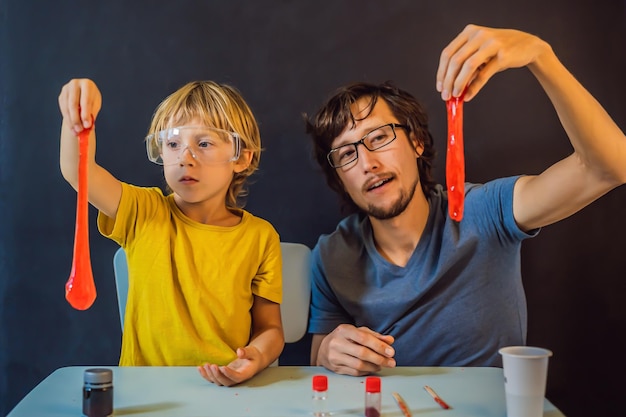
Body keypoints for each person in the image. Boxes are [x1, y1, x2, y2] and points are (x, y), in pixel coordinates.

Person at [304, 24, 626, 376]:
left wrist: (540, 56)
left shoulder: (484, 211)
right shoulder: (331, 254)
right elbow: (320, 356)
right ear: (338, 176)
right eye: (346, 154)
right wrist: (329, 352)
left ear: (416, 143)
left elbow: (608, 168)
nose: (368, 164)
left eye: (379, 137)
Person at [58, 79, 284, 386]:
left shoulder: (260, 236)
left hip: (226, 392)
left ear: (242, 157)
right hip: (144, 390)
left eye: (204, 144)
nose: (185, 158)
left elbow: (270, 328)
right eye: (173, 143)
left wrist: (255, 357)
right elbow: (77, 170)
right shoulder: (143, 211)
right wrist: (78, 119)